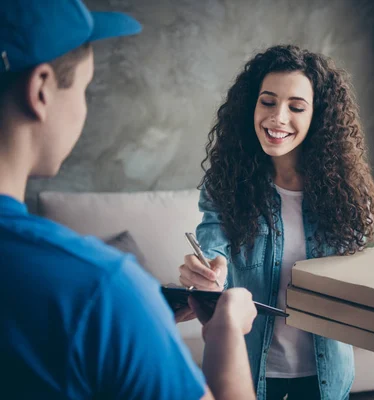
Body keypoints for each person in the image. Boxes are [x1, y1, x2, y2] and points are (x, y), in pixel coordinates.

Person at [0, 1, 257, 399]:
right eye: (84, 89)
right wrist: (226, 333)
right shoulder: (101, 288)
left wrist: (138, 320)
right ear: (41, 90)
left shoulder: (101, 299)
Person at [179, 45, 374, 400]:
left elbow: (360, 273)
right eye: (268, 102)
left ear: (317, 116)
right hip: (252, 371)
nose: (278, 118)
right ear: (251, 106)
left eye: (296, 107)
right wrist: (207, 271)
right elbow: (213, 242)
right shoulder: (226, 183)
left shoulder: (348, 192)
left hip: (325, 374)